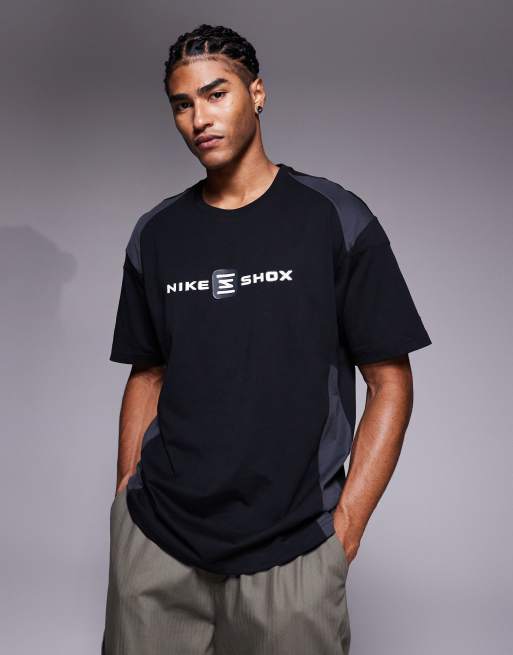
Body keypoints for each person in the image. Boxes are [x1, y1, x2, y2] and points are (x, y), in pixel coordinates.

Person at [101, 23, 432, 655]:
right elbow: (147, 373)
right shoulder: (156, 234)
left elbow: (391, 381)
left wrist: (347, 527)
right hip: (158, 542)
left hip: (293, 547)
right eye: (182, 104)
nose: (199, 118)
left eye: (216, 94)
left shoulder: (333, 218)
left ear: (256, 94)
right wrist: (124, 496)